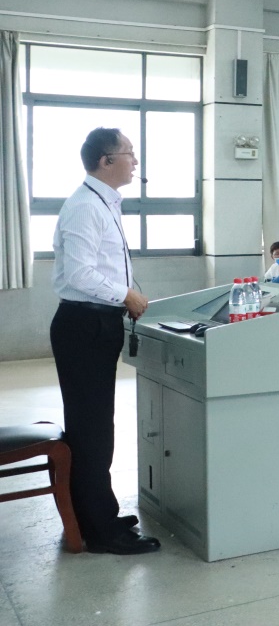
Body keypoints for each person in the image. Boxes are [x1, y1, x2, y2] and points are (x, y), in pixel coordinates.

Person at [50, 128, 159, 555]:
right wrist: (125, 295)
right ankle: (99, 531)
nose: (136, 161)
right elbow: (79, 274)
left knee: (95, 427)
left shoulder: (102, 202)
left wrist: (124, 296)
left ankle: (95, 513)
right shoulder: (85, 207)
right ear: (105, 160)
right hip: (84, 326)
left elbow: (102, 266)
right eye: (129, 153)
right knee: (92, 430)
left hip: (97, 322)